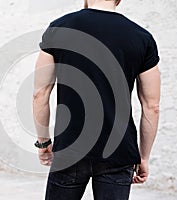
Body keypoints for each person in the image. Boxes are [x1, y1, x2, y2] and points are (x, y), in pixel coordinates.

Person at [33, 0, 161, 199]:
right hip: (118, 151)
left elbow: (40, 94)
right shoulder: (142, 37)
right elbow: (151, 106)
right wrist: (143, 156)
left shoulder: (59, 29)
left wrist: (43, 143)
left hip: (70, 148)